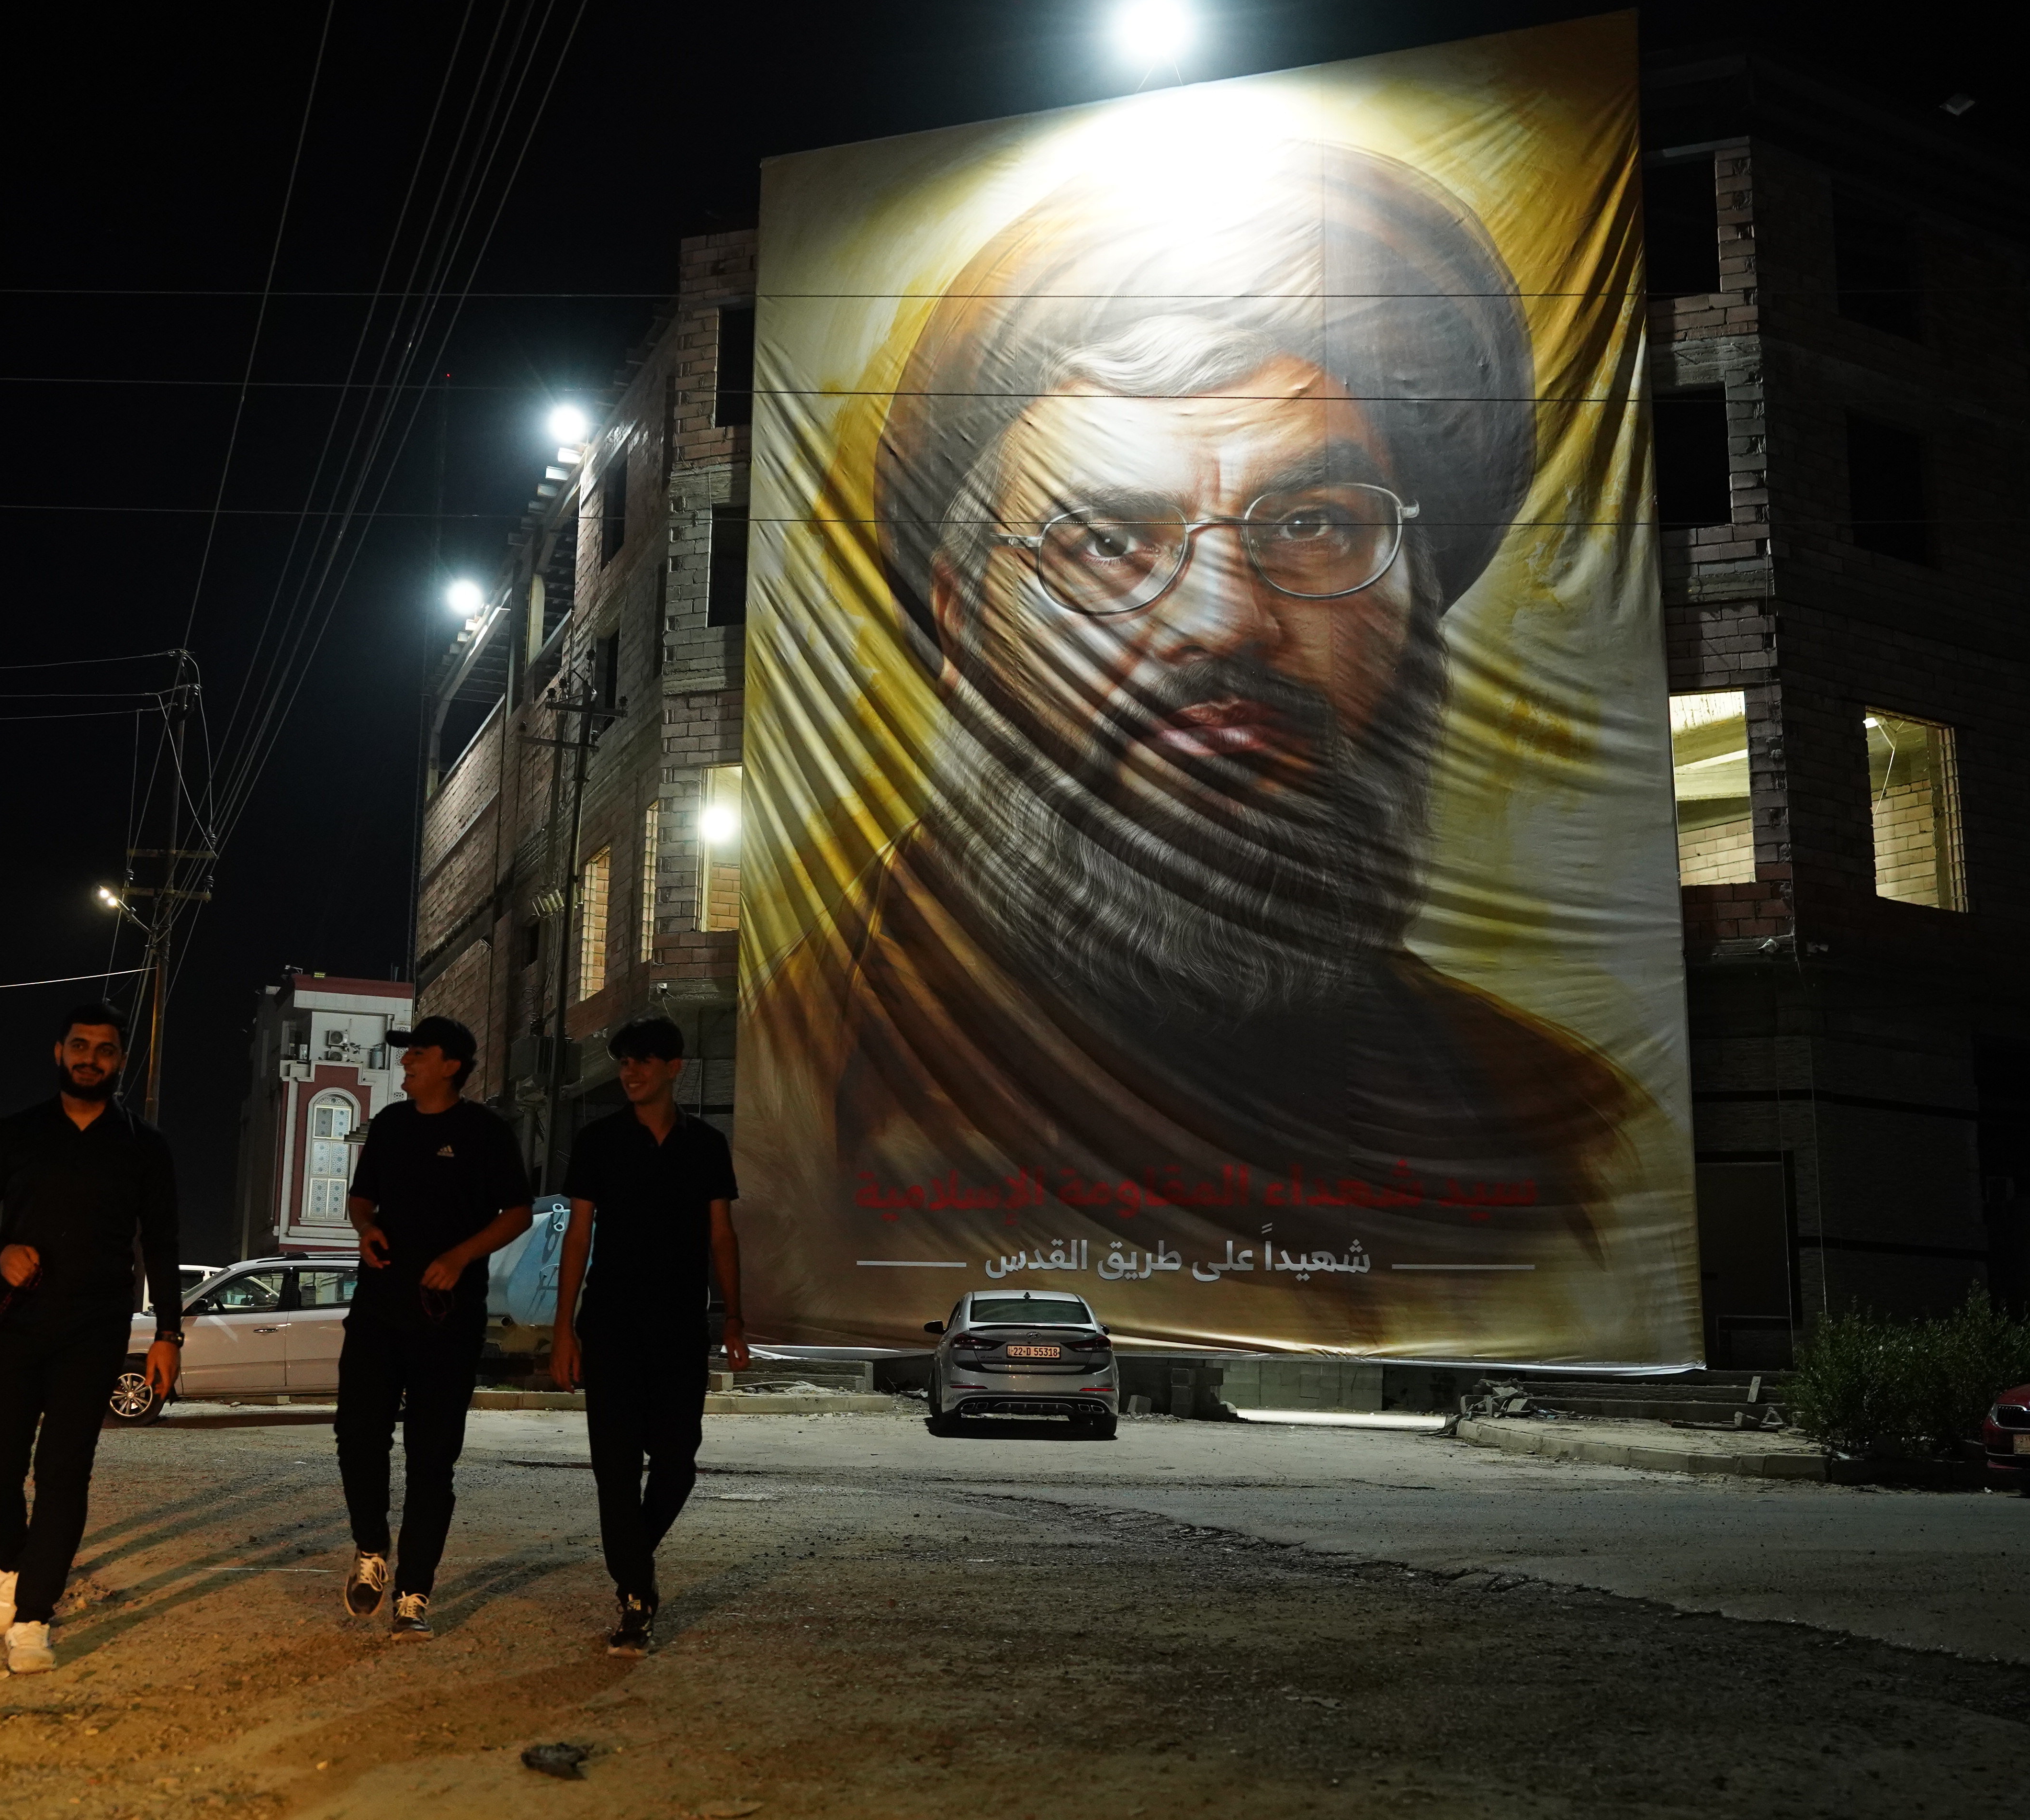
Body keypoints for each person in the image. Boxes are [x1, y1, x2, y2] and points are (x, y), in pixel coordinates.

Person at [750, 140, 1658, 1354]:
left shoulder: (1558, 1132)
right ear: (965, 625)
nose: (1228, 618)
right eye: (1109, 544)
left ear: (1416, 607)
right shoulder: (802, 1101)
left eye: (1312, 524)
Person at [0, 1003, 181, 1675]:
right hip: (14, 1326)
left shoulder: (145, 1146)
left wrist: (169, 1333)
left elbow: (163, 1246)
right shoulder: (15, 1133)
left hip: (93, 1331)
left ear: (119, 1061)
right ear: (59, 1053)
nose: (91, 1059)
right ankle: (12, 1558)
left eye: (104, 1050)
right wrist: (0, 1251)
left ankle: (33, 1618)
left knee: (63, 1474)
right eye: (79, 1047)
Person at [550, 1014, 746, 1657]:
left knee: (677, 1464)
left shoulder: (706, 1147)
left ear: (673, 1068)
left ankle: (632, 1559)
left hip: (678, 1326)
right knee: (613, 1466)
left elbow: (722, 1234)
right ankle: (636, 1595)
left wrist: (735, 1317)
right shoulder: (599, 1140)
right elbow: (577, 1235)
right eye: (623, 1062)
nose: (629, 1072)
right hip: (608, 1324)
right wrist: (562, 1331)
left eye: (641, 1061)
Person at [334, 1015, 531, 1643]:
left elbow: (520, 1213)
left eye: (419, 1052)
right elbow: (361, 1198)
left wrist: (460, 1256)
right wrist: (366, 1228)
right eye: (407, 1052)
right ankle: (372, 1548)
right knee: (357, 1433)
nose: (407, 1061)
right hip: (378, 1309)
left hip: (446, 1321)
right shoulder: (390, 1125)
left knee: (431, 1460)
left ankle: (415, 1591)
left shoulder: (485, 1132)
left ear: (453, 1064)